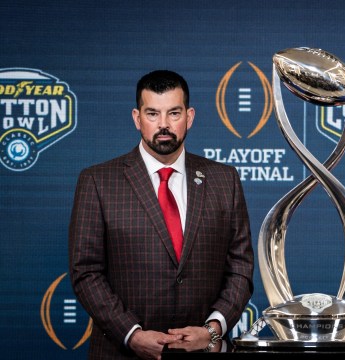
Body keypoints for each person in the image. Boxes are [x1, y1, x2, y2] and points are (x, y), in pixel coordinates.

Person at [68, 70, 254, 359]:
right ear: (136, 118)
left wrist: (213, 329)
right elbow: (86, 271)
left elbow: (240, 266)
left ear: (189, 117)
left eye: (174, 113)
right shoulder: (98, 181)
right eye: (152, 113)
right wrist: (131, 334)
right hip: (121, 352)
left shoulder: (224, 180)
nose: (164, 125)